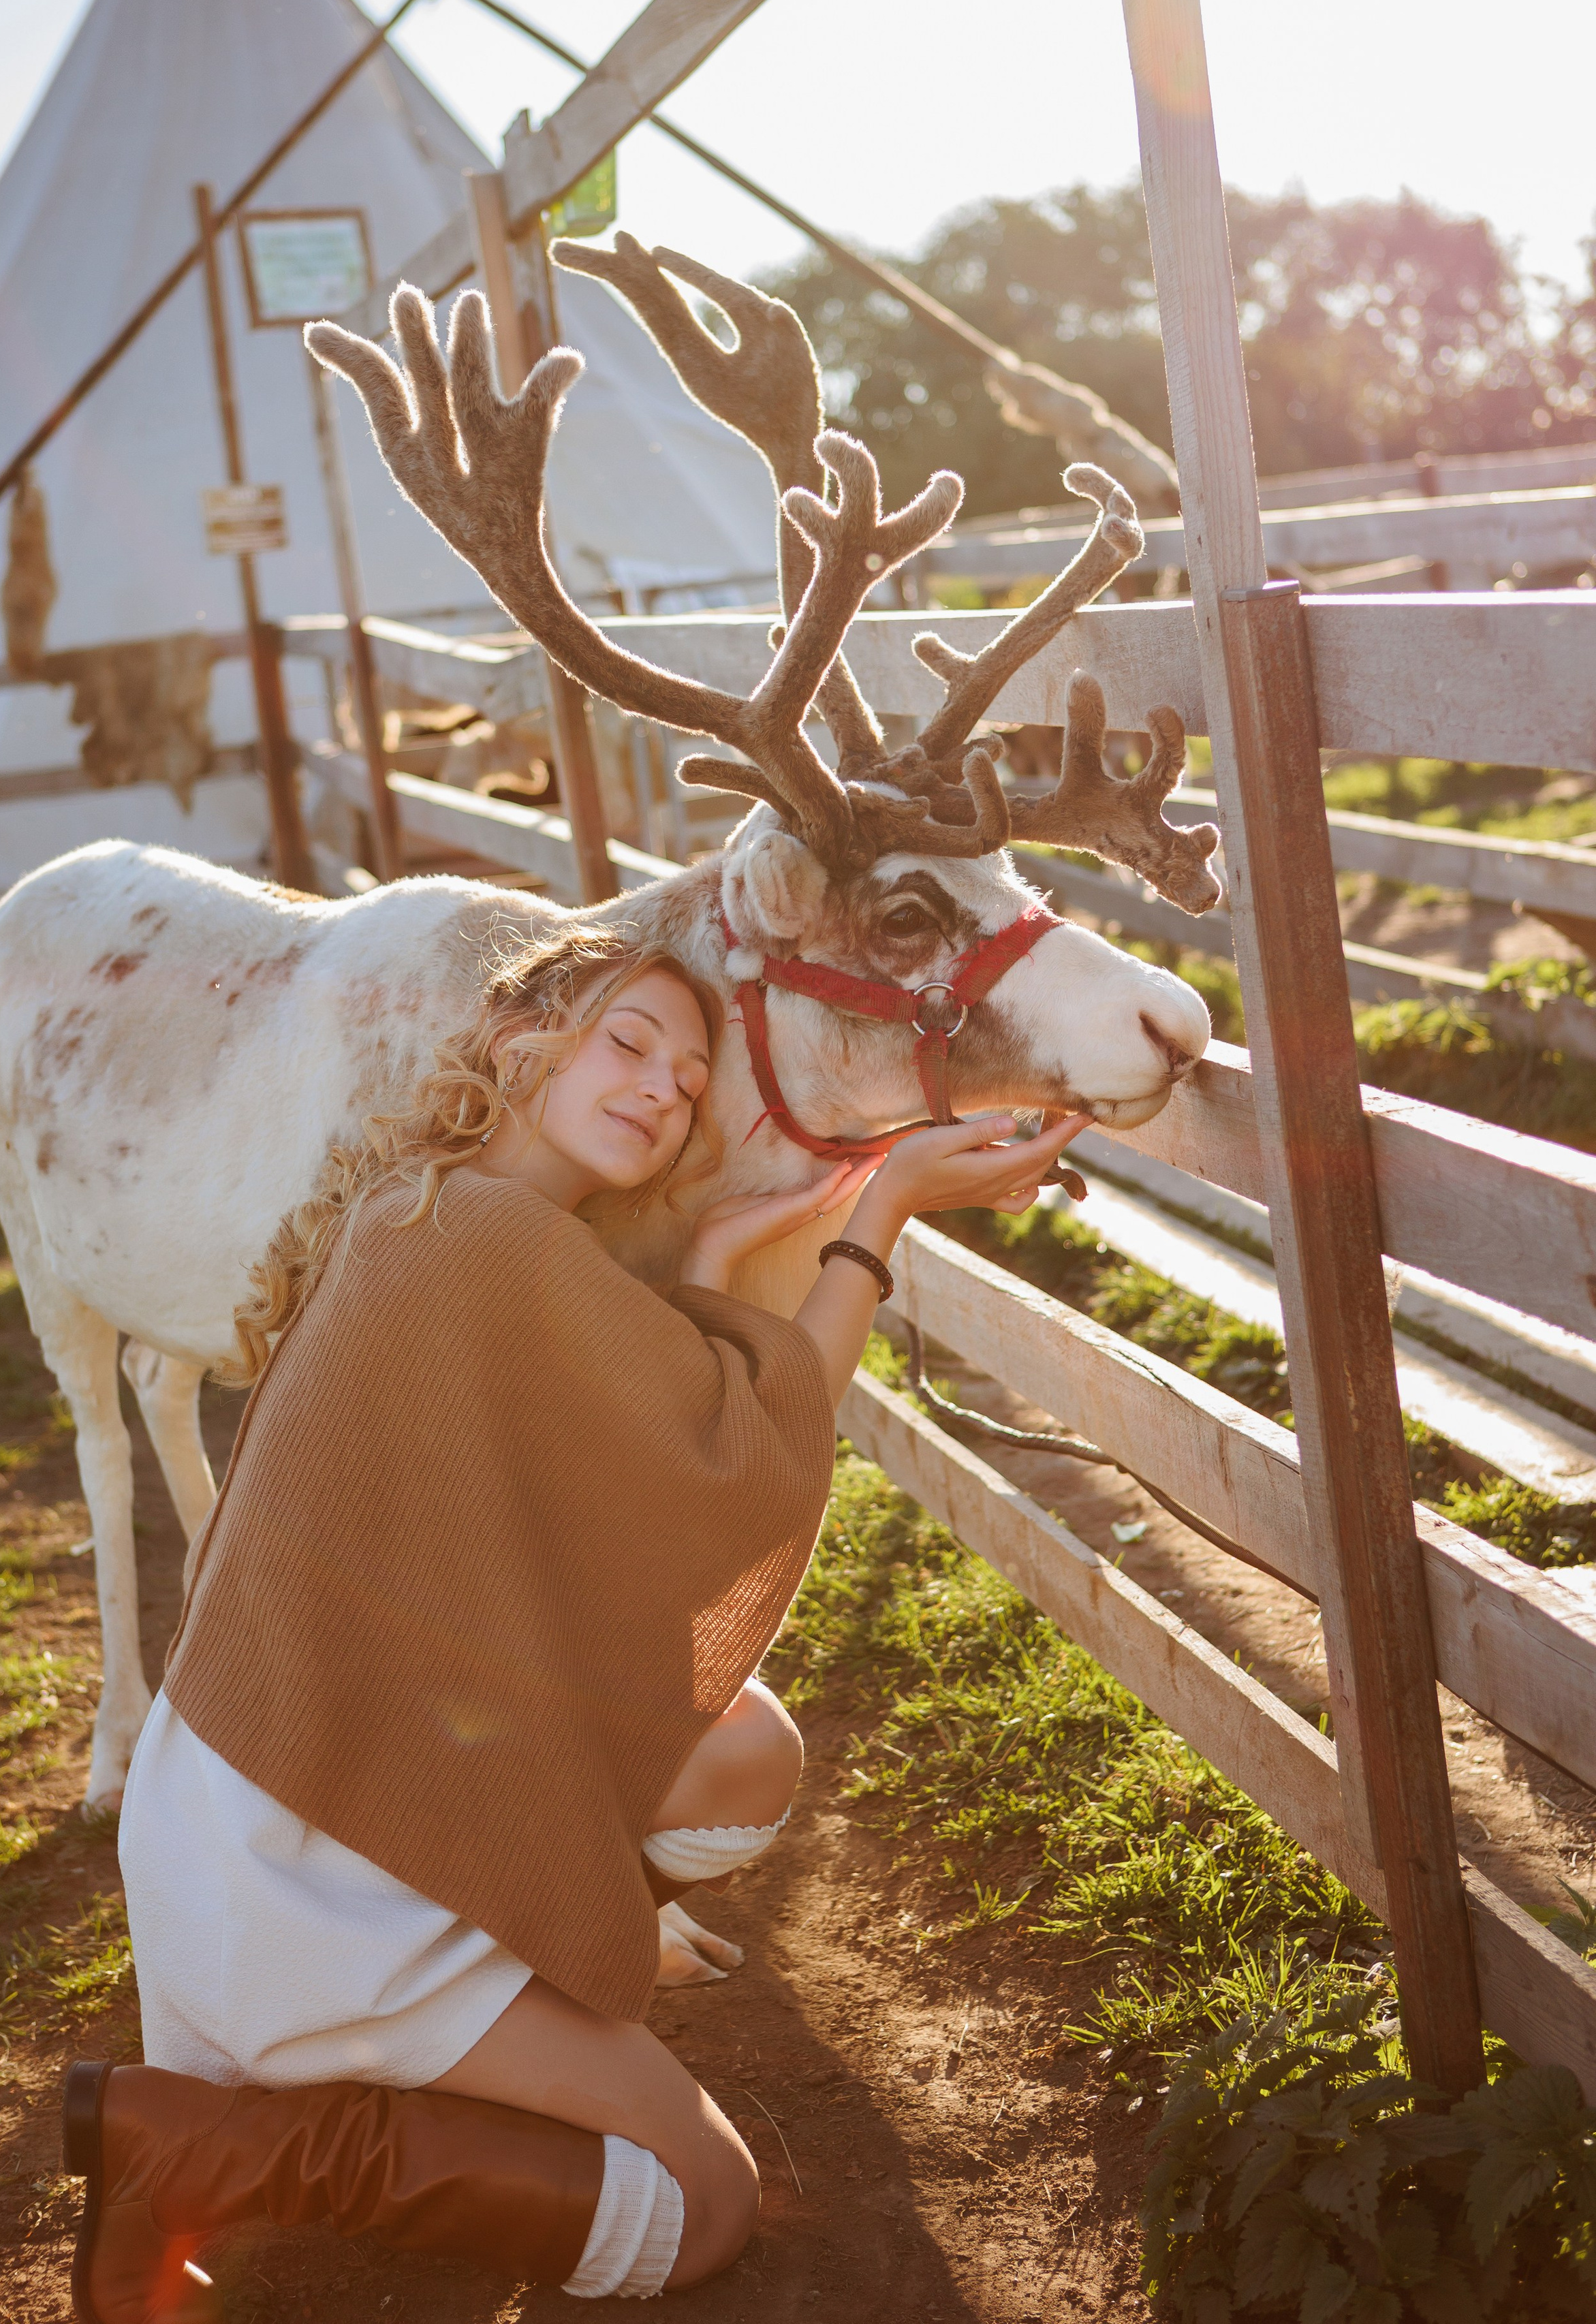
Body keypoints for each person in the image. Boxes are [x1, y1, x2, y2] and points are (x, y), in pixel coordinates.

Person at [69, 924, 1086, 2323]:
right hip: (304, 1871)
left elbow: (661, 1450)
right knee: (705, 2214)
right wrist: (884, 1207)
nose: (663, 1090)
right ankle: (208, 2146)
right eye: (627, 1043)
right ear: (516, 1044)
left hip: (265, 1807)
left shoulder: (433, 1211)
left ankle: (462, 1999)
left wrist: (727, 1245)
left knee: (739, 1751)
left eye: (684, 1077)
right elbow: (733, 1458)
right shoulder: (492, 1247)